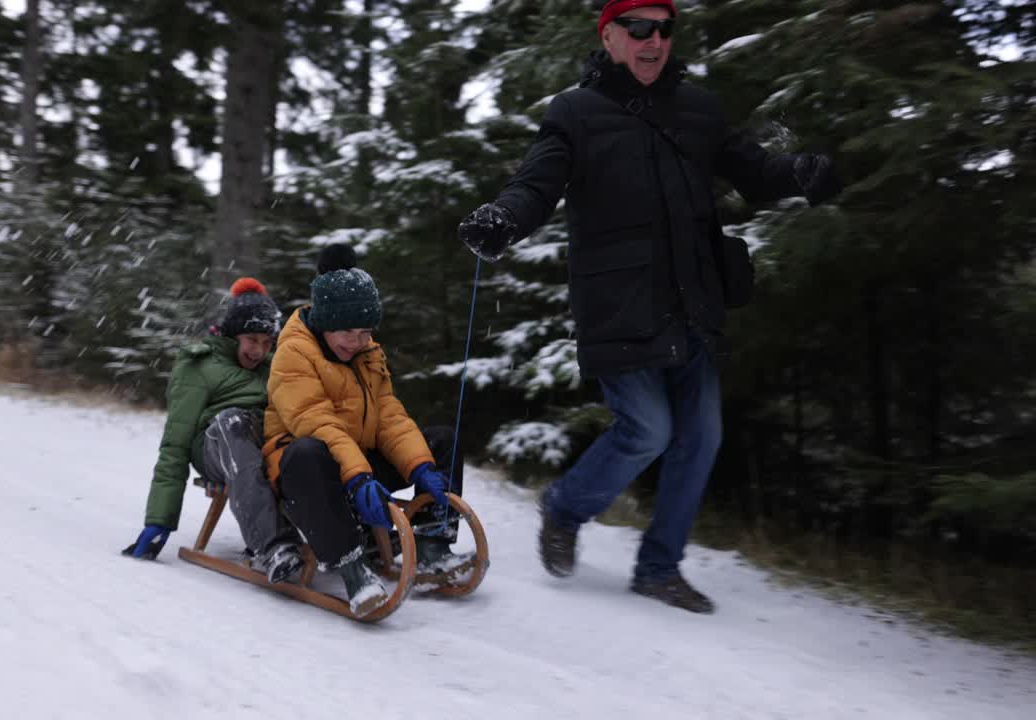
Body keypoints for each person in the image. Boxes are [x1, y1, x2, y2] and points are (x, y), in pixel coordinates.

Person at [456, 0, 843, 613]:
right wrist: (504, 217)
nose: (653, 40)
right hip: (619, 300)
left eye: (663, 28)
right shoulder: (576, 112)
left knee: (703, 437)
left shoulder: (699, 110)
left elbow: (754, 171)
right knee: (648, 430)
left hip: (694, 296)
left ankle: (659, 568)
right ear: (609, 35)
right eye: (638, 28)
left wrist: (799, 172)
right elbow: (538, 181)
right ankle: (564, 508)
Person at [262, 244, 473, 617]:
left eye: (365, 331)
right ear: (325, 321)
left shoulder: (367, 352)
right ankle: (352, 567)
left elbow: (389, 415)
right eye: (347, 331)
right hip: (310, 470)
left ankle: (431, 544)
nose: (357, 341)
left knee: (441, 441)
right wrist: (357, 478)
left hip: (357, 461)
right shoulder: (293, 353)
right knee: (309, 453)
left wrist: (420, 465)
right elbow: (317, 422)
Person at [124, 278, 305, 586]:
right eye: (251, 339)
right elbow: (175, 443)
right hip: (215, 446)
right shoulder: (200, 364)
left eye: (267, 342)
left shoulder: (274, 367)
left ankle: (353, 535)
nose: (259, 350)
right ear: (233, 335)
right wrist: (159, 520)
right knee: (231, 422)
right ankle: (273, 545)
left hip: (263, 444)